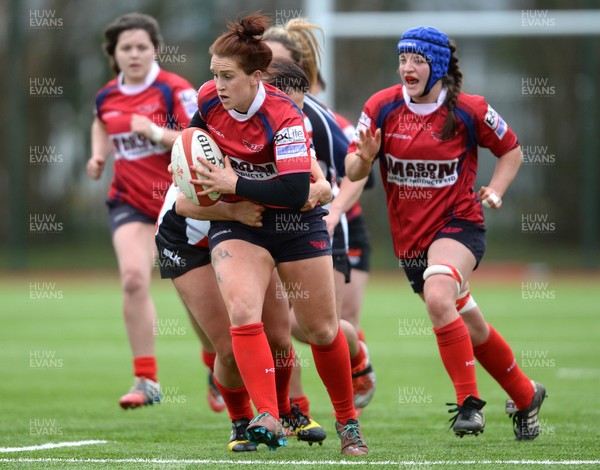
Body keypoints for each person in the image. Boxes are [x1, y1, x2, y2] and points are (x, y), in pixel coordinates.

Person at [346, 26, 547, 440]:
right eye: (403, 59)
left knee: (439, 295)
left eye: (417, 59)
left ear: (436, 65)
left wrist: (497, 188)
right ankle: (526, 395)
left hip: (460, 225)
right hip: (412, 244)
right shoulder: (381, 107)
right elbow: (352, 171)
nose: (408, 67)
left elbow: (511, 148)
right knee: (468, 327)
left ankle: (469, 404)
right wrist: (363, 160)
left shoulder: (470, 109)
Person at [187, 14, 368, 455]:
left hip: (293, 222)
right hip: (239, 223)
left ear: (256, 78)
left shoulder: (284, 115)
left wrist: (234, 184)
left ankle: (349, 425)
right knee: (243, 312)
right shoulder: (211, 98)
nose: (218, 85)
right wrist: (202, 170)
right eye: (214, 75)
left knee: (322, 330)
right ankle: (267, 413)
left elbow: (292, 191)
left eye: (228, 77)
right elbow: (194, 133)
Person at [263, 18, 376, 417]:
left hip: (318, 227)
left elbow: (355, 172)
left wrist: (334, 212)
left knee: (314, 327)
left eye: (278, 64)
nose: (267, 72)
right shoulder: (241, 110)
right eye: (262, 61)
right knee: (275, 330)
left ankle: (356, 358)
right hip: (266, 229)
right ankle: (296, 408)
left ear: (299, 70)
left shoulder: (317, 117)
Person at [86, 12, 198, 409]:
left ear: (155, 50)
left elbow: (197, 139)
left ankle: (218, 365)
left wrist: (154, 132)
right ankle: (146, 379)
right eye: (126, 48)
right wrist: (98, 156)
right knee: (134, 278)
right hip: (130, 202)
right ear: (114, 54)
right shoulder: (107, 94)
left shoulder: (174, 89)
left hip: (180, 204)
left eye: (141, 47)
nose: (134, 54)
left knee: (194, 293)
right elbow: (102, 122)